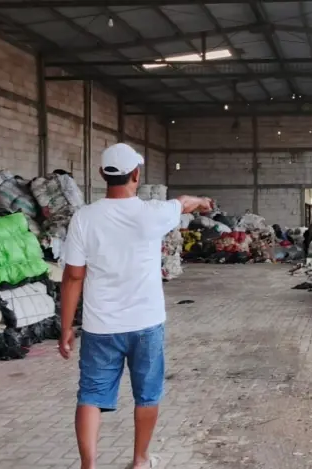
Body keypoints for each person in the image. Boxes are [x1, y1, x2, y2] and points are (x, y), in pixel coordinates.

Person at [58, 143, 212, 469]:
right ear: (136, 175)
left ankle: (89, 466)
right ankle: (140, 460)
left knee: (91, 395)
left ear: (102, 174)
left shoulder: (84, 218)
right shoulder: (151, 213)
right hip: (146, 323)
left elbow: (73, 277)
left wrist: (66, 327)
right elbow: (183, 203)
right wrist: (201, 203)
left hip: (100, 327)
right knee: (147, 394)